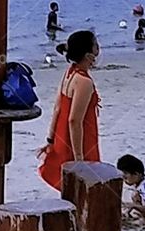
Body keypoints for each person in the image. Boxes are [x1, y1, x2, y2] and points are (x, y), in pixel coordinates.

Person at [38, 30, 101, 189]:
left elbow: (57, 107)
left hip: (62, 135)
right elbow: (74, 120)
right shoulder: (84, 81)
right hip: (78, 139)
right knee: (84, 185)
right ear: (88, 54)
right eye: (95, 44)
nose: (98, 47)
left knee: (69, 186)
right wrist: (79, 158)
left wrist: (50, 139)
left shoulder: (70, 73)